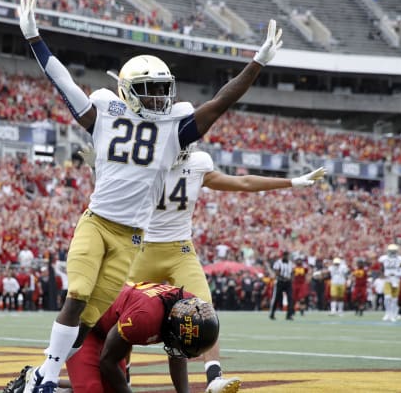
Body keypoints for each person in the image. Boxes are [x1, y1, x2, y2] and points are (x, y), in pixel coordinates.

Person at [11, 0, 283, 393]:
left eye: (162, 88)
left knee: (91, 320)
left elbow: (220, 101)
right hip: (98, 221)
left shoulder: (173, 128)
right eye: (149, 89)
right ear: (128, 90)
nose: (159, 97)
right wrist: (35, 39)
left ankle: (41, 375)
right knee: (79, 293)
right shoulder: (105, 111)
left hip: (132, 238)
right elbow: (65, 84)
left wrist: (256, 64)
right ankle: (47, 379)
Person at [79, 147, 325, 391]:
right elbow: (115, 190)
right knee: (124, 316)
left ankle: (214, 377)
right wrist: (97, 168)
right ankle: (125, 376)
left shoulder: (196, 164)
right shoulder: (145, 160)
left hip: (180, 250)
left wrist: (292, 182)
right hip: (143, 249)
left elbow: (244, 182)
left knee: (204, 310)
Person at [4, 282, 219, 393]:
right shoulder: (146, 318)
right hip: (88, 326)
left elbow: (177, 352)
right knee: (92, 391)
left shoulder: (186, 309)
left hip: (114, 327)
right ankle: (37, 379)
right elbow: (107, 361)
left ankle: (53, 382)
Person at [378, 244, 401, 322]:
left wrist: (395, 274)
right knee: (387, 297)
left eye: (394, 252)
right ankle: (387, 313)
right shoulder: (384, 259)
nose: (392, 253)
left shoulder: (400, 259)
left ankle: (393, 314)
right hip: (387, 280)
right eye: (391, 251)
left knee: (394, 299)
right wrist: (384, 274)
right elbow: (381, 268)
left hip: (396, 280)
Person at [269, 251, 295, 321]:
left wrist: (291, 278)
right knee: (276, 298)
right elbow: (276, 272)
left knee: (290, 298)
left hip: (288, 283)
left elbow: (292, 272)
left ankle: (289, 315)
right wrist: (284, 277)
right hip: (280, 282)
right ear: (282, 256)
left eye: (287, 255)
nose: (286, 257)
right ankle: (272, 313)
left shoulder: (290, 263)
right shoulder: (278, 263)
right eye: (285, 255)